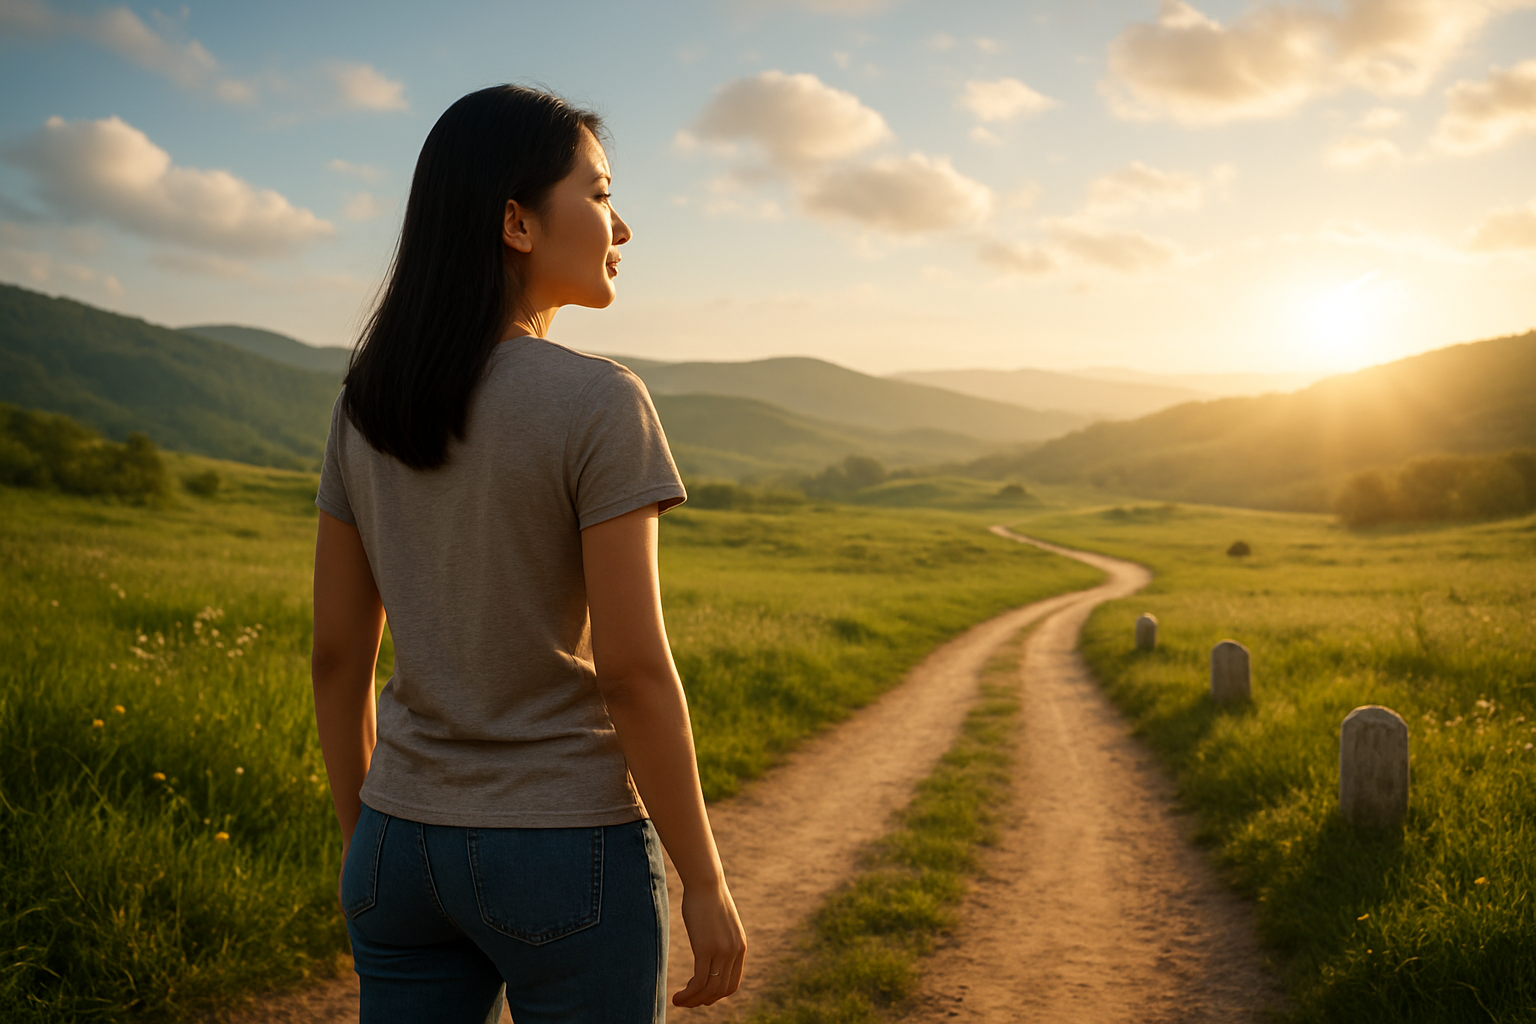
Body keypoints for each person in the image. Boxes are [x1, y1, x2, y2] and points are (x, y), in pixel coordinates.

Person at [310, 85, 746, 1024]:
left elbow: (337, 658)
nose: (620, 225)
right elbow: (631, 673)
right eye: (597, 194)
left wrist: (366, 841)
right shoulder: (597, 402)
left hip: (398, 841)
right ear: (516, 221)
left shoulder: (366, 403)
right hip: (563, 847)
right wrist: (702, 880)